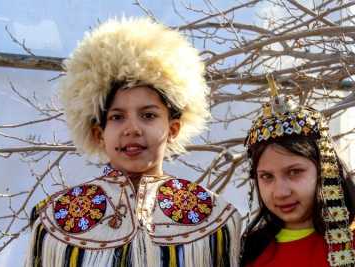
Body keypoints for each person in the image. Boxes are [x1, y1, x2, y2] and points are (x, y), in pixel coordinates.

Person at [24, 17, 241, 267]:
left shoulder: (215, 220)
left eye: (148, 115)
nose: (132, 129)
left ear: (173, 128)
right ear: (98, 133)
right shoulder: (54, 219)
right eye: (117, 117)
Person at [240, 75, 355, 267]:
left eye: (294, 172)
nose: (281, 192)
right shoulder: (249, 250)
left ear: (324, 170)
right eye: (267, 176)